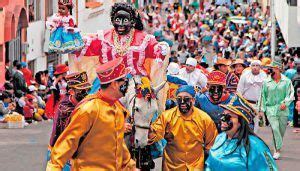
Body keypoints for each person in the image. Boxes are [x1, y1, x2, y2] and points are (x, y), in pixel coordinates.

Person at [46, 58, 135, 170]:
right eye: (124, 81)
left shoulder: (118, 109)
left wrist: (131, 167)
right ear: (114, 84)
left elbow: (119, 146)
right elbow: (66, 144)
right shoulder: (88, 109)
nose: (127, 84)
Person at [148, 85, 218, 170]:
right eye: (179, 99)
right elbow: (155, 133)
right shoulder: (166, 116)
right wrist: (147, 129)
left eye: (186, 99)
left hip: (195, 166)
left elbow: (212, 144)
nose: (182, 102)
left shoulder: (204, 118)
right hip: (172, 166)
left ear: (193, 100)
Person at [205, 94, 278, 171]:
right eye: (223, 115)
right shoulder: (220, 138)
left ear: (241, 122)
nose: (223, 119)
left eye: (229, 116)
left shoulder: (256, 146)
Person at [47, 71, 91, 170]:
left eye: (87, 89)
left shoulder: (79, 103)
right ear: (71, 92)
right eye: (82, 90)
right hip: (62, 157)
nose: (86, 94)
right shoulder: (66, 110)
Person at [258, 60, 294, 160]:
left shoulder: (287, 81)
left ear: (278, 69)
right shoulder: (266, 82)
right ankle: (277, 150)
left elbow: (291, 94)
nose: (270, 70)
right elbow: (262, 96)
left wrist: (285, 102)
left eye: (272, 68)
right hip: (270, 109)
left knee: (281, 131)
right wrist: (261, 110)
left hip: (283, 110)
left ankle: (277, 146)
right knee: (274, 128)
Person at [237, 60, 267, 132]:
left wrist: (262, 109)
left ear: (260, 67)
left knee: (256, 126)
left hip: (258, 105)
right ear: (251, 67)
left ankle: (253, 141)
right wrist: (240, 104)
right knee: (245, 124)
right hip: (246, 103)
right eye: (253, 65)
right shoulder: (245, 76)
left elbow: (265, 94)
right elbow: (239, 90)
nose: (255, 67)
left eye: (257, 66)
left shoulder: (264, 77)